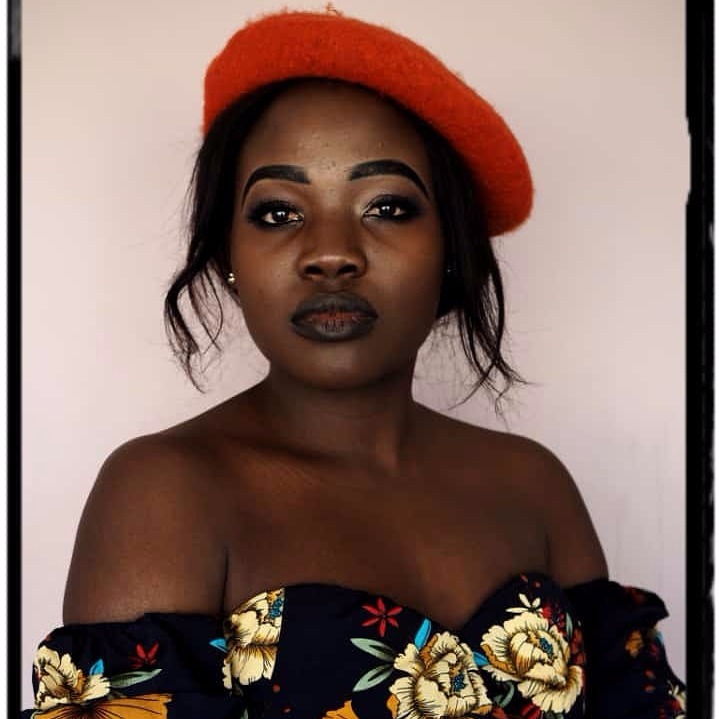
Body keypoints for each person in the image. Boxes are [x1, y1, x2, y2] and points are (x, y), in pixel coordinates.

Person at [23, 8, 685, 719]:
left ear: (452, 249)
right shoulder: (164, 494)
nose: (331, 252)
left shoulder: (536, 486)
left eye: (387, 207)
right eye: (279, 212)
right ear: (227, 256)